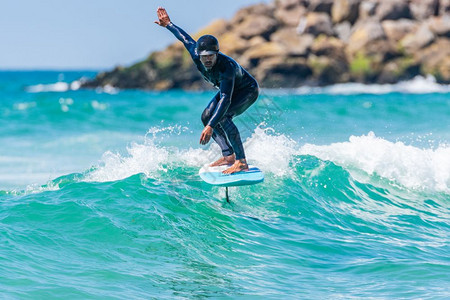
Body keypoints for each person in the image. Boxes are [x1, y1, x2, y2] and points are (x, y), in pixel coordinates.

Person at [155, 7, 259, 174]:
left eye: (211, 55)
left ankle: (241, 161)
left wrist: (211, 126)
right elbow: (185, 39)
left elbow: (226, 99)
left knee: (223, 117)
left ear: (217, 53)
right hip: (230, 91)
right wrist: (168, 24)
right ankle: (228, 156)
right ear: (199, 54)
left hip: (247, 91)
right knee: (206, 116)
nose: (208, 59)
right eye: (205, 56)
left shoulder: (227, 68)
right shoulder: (196, 54)